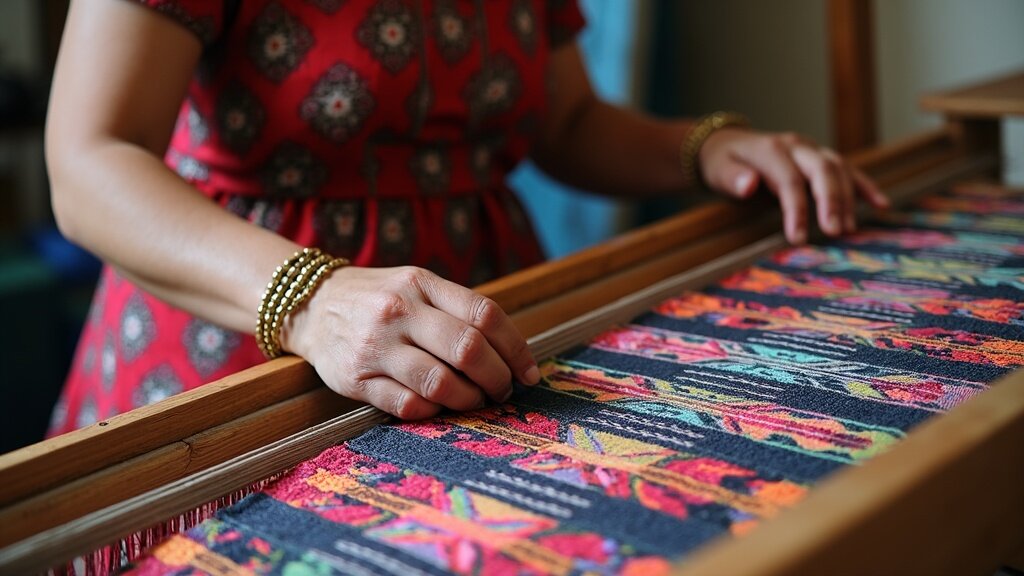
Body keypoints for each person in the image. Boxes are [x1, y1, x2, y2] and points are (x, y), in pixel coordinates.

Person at [45, 0, 889, 435]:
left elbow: (564, 122)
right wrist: (313, 301)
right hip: (241, 338)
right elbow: (89, 162)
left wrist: (706, 147)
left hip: (475, 331)